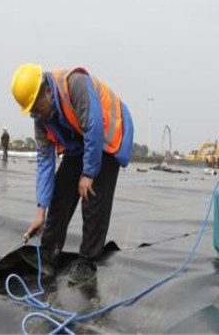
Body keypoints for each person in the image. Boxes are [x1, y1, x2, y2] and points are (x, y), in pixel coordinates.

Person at [11, 64, 133, 286]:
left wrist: (88, 173)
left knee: (92, 196)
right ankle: (47, 255)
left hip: (107, 137)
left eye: (37, 107)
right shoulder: (41, 120)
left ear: (47, 91)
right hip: (81, 143)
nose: (36, 115)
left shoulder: (75, 84)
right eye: (31, 112)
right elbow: (45, 163)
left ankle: (87, 262)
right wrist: (41, 210)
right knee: (61, 192)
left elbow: (93, 128)